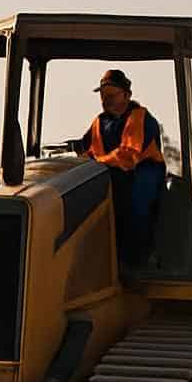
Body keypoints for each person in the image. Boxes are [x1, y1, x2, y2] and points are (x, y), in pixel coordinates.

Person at [73, 68, 167, 271]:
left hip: (142, 171)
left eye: (111, 95)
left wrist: (97, 163)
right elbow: (86, 151)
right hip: (110, 171)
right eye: (103, 96)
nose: (106, 100)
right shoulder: (99, 122)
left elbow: (128, 155)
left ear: (127, 95)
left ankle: (138, 259)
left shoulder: (139, 117)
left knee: (136, 203)